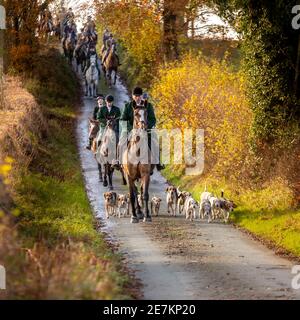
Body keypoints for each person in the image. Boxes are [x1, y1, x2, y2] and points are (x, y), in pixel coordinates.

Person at [113, 87, 165, 172]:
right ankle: (117, 161)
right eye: (135, 96)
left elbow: (153, 119)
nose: (137, 97)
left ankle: (158, 163)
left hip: (145, 129)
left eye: (139, 96)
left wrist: (147, 126)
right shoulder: (128, 106)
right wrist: (131, 128)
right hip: (130, 129)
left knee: (154, 141)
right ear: (133, 96)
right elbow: (122, 119)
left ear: (141, 96)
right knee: (121, 142)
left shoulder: (148, 105)